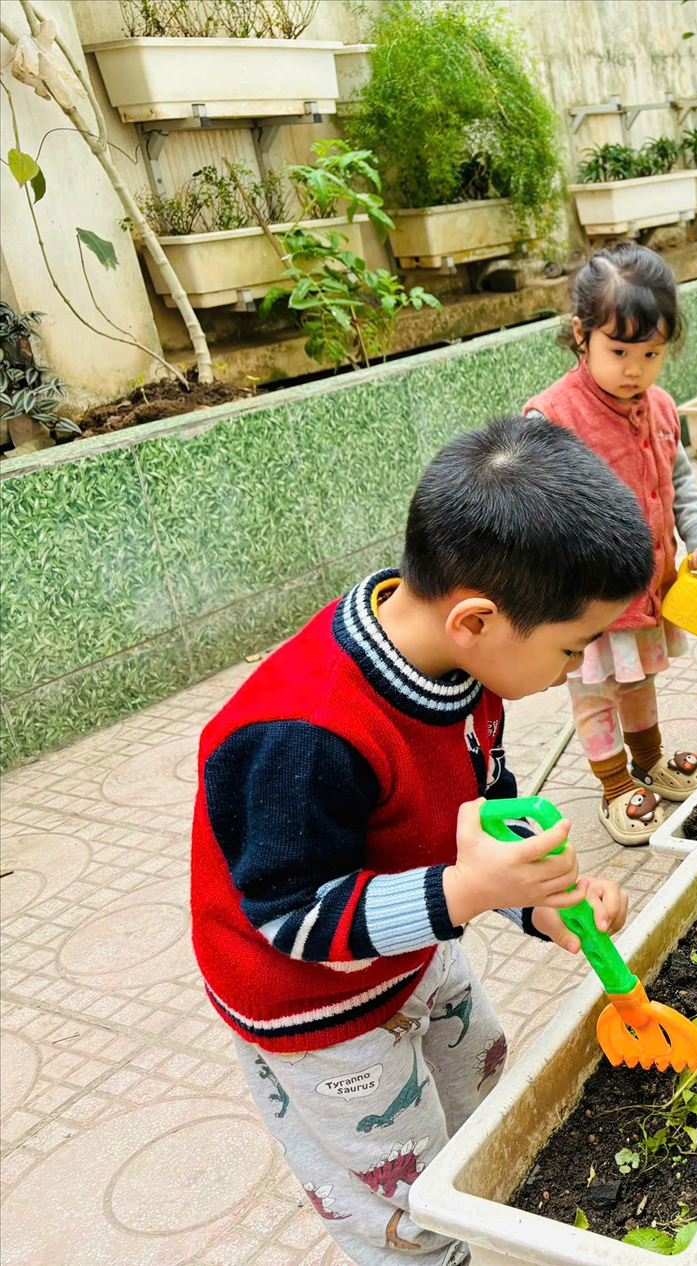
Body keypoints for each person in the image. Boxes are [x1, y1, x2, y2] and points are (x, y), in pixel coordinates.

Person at [191, 415, 647, 1266]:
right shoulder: (302, 733)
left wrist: (540, 908)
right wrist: (471, 893)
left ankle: (480, 1214)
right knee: (399, 1194)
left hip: (411, 942)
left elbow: (484, 804)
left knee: (480, 1098)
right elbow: (292, 918)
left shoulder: (464, 669)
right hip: (312, 1007)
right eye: (571, 647)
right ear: (477, 619)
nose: (576, 669)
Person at [526, 243, 697, 846]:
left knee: (640, 680)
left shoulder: (660, 406)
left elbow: (681, 484)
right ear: (580, 335)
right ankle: (614, 784)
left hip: (649, 589)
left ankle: (650, 762)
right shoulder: (552, 419)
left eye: (652, 354)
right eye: (618, 352)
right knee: (593, 693)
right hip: (586, 603)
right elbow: (532, 516)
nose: (635, 369)